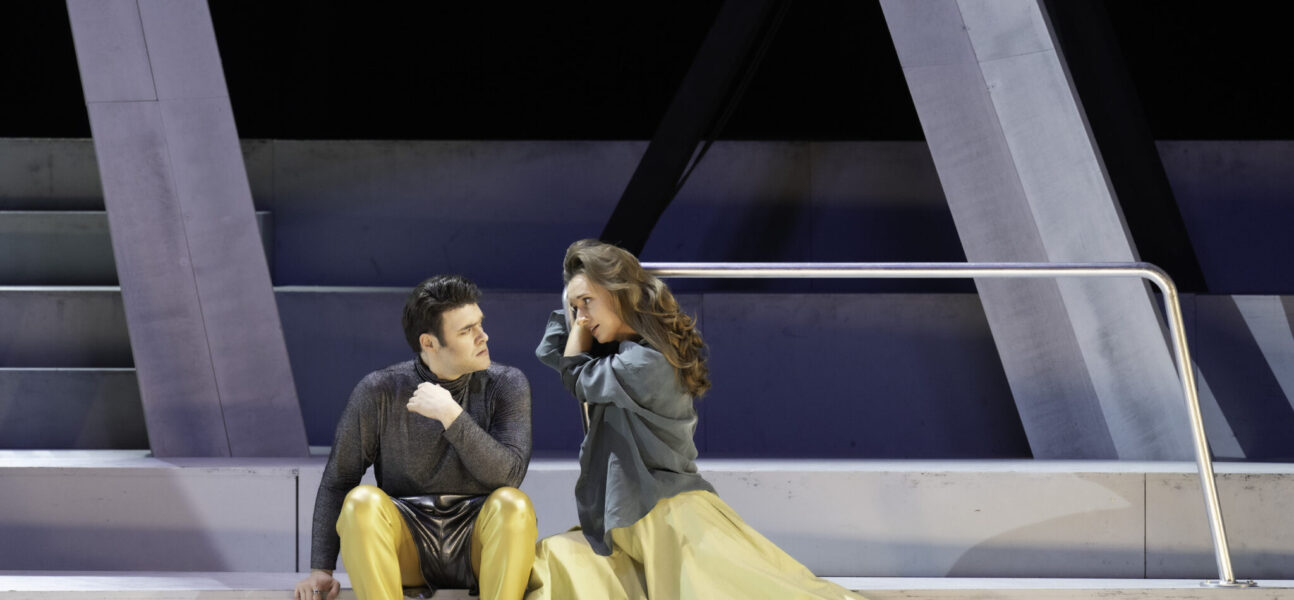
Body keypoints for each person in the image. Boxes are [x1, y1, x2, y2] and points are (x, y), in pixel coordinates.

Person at [528, 240, 863, 599]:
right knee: (554, 561)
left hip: (666, 517)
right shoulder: (623, 356)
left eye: (587, 302)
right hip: (639, 518)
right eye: (575, 307)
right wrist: (580, 307)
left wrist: (579, 324)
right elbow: (554, 353)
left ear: (619, 293)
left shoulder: (646, 363)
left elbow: (575, 375)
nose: (581, 317)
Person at [295, 275, 537, 600]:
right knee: (360, 502)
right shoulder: (380, 390)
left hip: (477, 547)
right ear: (429, 343)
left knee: (513, 505)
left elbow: (509, 475)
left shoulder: (506, 384)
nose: (483, 336)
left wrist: (450, 415)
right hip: (407, 545)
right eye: (467, 330)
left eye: (480, 324)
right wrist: (321, 570)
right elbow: (339, 481)